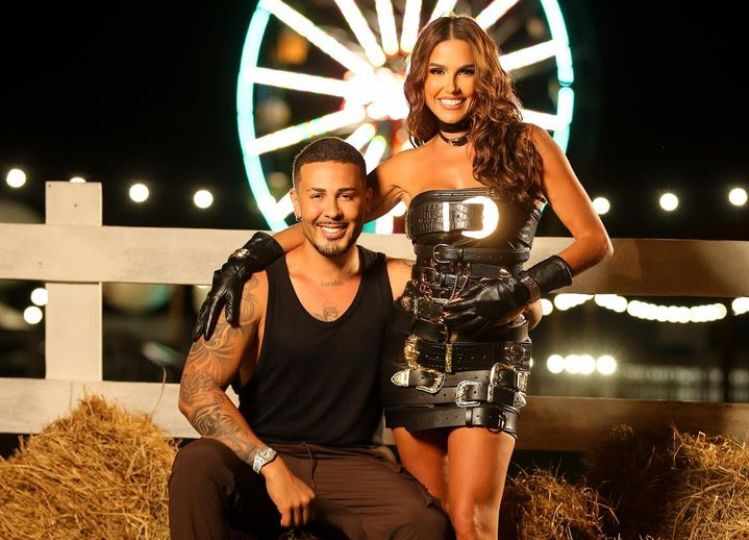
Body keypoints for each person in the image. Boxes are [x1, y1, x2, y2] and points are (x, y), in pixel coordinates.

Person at [193, 15, 612, 540]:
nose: (451, 87)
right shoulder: (406, 166)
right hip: (414, 354)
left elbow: (594, 242)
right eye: (437, 71)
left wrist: (520, 290)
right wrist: (246, 259)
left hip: (490, 354)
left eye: (465, 72)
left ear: (486, 78)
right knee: (432, 518)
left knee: (474, 522)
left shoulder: (529, 145)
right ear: (419, 80)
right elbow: (331, 215)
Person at [169, 138, 452, 540]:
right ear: (296, 203)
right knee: (197, 465)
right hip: (263, 457)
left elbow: (483, 296)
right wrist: (270, 465)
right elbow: (195, 392)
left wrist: (525, 298)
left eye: (346, 195)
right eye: (317, 195)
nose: (331, 211)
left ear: (368, 201)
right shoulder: (256, 288)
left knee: (424, 524)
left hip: (352, 463)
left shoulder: (396, 279)